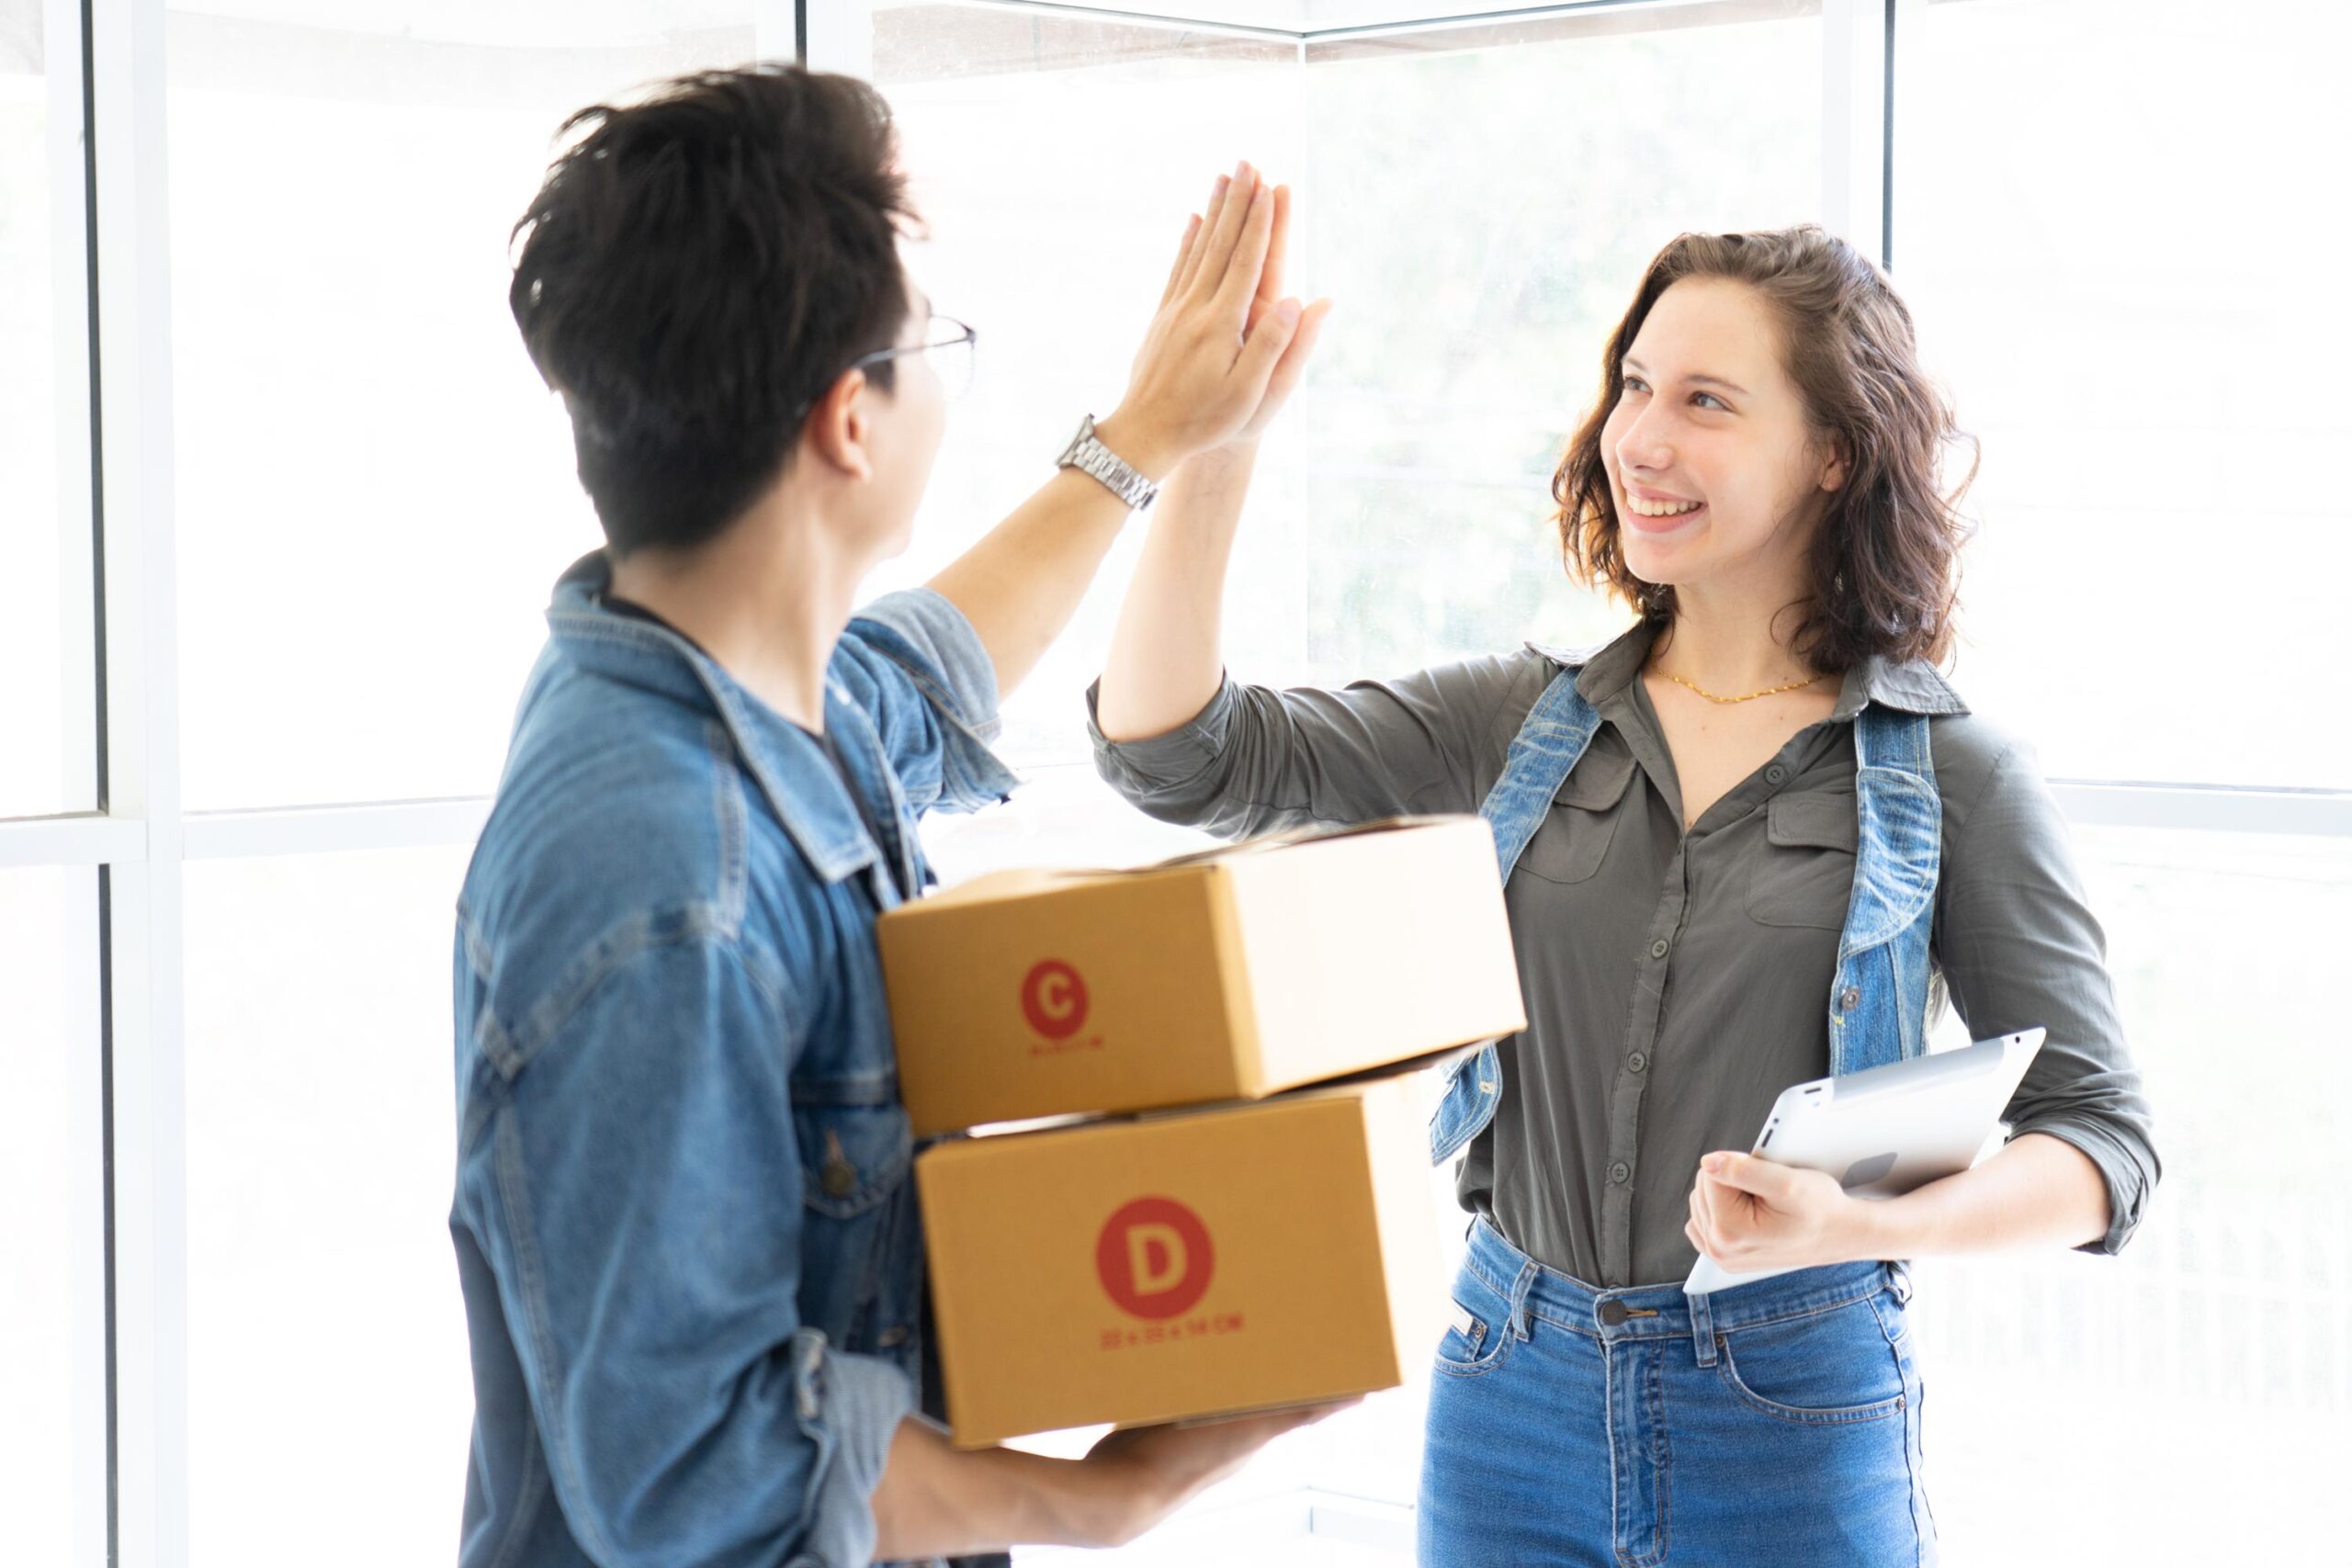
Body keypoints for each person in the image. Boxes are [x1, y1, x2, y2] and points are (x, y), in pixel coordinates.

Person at [1090, 224, 2159, 1564]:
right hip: (1508, 1398)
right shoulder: (1518, 721)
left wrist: (1864, 1223)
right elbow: (1179, 755)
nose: (1639, 439)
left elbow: (2101, 1146)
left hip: (1791, 1420)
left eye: (1706, 401)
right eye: (1634, 387)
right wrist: (1216, 442)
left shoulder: (1956, 775)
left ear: (1833, 452)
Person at [448, 64, 1332, 1566]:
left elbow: (931, 669)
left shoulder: (735, 687)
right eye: (933, 344)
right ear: (848, 420)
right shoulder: (665, 873)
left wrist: (1156, 434)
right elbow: (693, 1468)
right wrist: (1110, 1500)